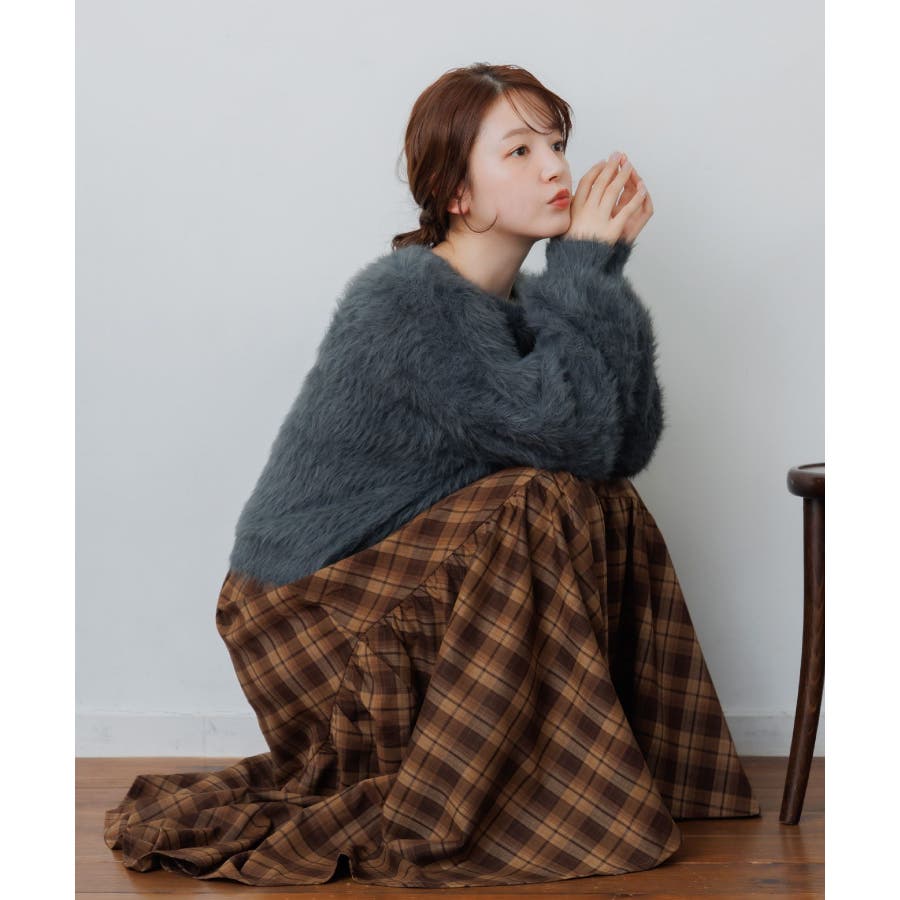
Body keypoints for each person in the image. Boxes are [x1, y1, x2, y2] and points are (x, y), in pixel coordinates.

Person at [104, 63, 760, 889]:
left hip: (395, 593)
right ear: (457, 193)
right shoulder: (406, 302)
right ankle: (540, 793)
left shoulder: (513, 310)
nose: (555, 168)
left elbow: (616, 449)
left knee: (600, 499)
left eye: (556, 145)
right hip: (310, 625)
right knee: (537, 496)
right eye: (519, 151)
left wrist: (596, 277)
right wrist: (584, 269)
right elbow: (573, 435)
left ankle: (624, 768)